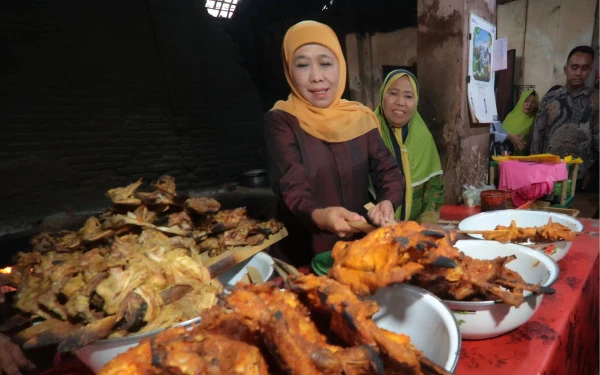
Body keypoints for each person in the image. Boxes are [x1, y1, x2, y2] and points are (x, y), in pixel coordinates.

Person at [262, 21, 405, 265]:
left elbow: (388, 171)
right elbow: (291, 185)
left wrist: (386, 201)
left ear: (340, 64)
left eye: (326, 63)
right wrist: (319, 215)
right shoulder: (281, 121)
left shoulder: (360, 118)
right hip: (305, 252)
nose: (316, 77)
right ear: (289, 69)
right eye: (302, 65)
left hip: (360, 247)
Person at [373, 70, 444, 224]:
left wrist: (427, 221)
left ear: (416, 101)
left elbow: (434, 188)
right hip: (377, 229)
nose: (400, 102)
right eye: (393, 93)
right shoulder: (368, 134)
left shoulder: (423, 137)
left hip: (415, 232)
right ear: (382, 95)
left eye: (408, 96)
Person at [530, 45, 600, 184]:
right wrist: (533, 167)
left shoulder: (596, 99)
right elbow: (537, 135)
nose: (579, 73)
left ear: (590, 70)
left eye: (584, 68)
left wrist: (593, 171)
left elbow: (598, 138)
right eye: (574, 67)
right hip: (548, 172)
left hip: (580, 175)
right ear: (566, 69)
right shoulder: (550, 98)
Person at [498, 90, 539, 156]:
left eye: (533, 102)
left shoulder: (536, 120)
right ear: (521, 102)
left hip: (521, 155)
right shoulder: (511, 116)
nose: (529, 104)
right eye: (526, 101)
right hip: (502, 152)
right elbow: (500, 132)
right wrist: (510, 137)